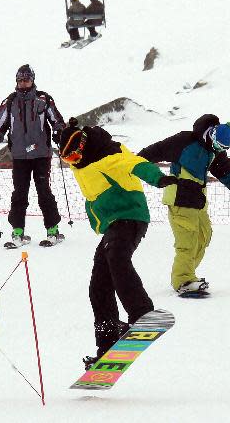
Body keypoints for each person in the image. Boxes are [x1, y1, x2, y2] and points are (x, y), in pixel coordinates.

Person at [57, 117, 177, 369]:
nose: (72, 163)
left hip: (130, 216)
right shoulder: (81, 160)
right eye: (66, 160)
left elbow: (135, 163)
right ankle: (108, 341)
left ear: (83, 147)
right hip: (112, 224)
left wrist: (157, 178)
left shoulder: (109, 155)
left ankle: (142, 312)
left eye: (73, 157)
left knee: (116, 257)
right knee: (98, 284)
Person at [137, 115, 230, 296]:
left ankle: (188, 273)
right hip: (180, 198)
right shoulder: (185, 141)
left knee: (203, 236)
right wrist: (141, 167)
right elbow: (153, 151)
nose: (218, 149)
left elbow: (226, 171)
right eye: (217, 145)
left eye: (222, 148)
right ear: (211, 134)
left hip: (198, 201)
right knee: (187, 241)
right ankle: (183, 280)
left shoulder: (214, 150)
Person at [0, 65, 66, 247]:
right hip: (20, 155)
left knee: (43, 190)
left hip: (41, 154)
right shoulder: (10, 101)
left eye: (27, 79)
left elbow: (56, 119)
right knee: (19, 193)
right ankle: (17, 232)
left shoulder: (43, 99)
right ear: (16, 81)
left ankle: (53, 230)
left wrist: (59, 132)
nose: (23, 83)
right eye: (20, 80)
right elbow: (1, 122)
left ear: (32, 80)